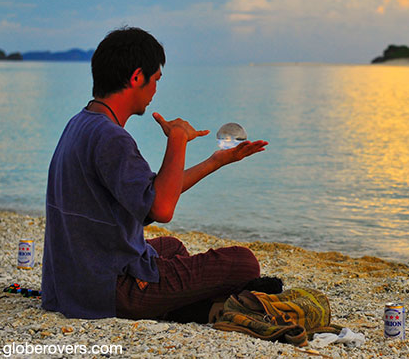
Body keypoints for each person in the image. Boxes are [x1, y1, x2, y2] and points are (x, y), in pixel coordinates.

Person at [42, 27, 269, 322]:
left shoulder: (81, 122)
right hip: (109, 289)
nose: (155, 90)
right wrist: (176, 139)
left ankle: (195, 306)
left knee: (171, 247)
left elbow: (153, 195)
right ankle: (203, 307)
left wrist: (216, 162)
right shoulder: (112, 138)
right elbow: (162, 209)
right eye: (156, 79)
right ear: (137, 77)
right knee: (244, 263)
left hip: (71, 283)